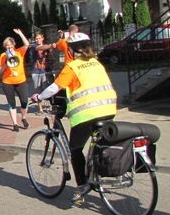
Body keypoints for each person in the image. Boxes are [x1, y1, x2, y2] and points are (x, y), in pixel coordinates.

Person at [32, 32, 117, 204]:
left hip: (87, 113)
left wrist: (39, 97)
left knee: (76, 149)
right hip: (108, 109)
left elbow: (55, 87)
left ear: (72, 50)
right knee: (98, 144)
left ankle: (82, 185)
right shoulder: (96, 63)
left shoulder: (73, 67)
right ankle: (97, 173)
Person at [0, 28, 31, 132]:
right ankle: (15, 124)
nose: (9, 46)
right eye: (7, 45)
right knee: (11, 103)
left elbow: (27, 44)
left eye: (11, 44)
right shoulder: (3, 56)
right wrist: (6, 64)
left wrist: (20, 33)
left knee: (24, 101)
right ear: (5, 46)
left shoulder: (19, 52)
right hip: (8, 82)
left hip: (20, 81)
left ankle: (23, 117)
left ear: (14, 44)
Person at [29, 31, 54, 114]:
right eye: (36, 39)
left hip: (45, 71)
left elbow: (53, 56)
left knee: (48, 90)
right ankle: (40, 109)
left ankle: (53, 106)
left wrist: (51, 49)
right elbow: (40, 48)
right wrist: (50, 45)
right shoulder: (34, 46)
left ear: (42, 38)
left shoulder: (47, 46)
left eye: (39, 38)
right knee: (37, 91)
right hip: (36, 71)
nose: (37, 40)